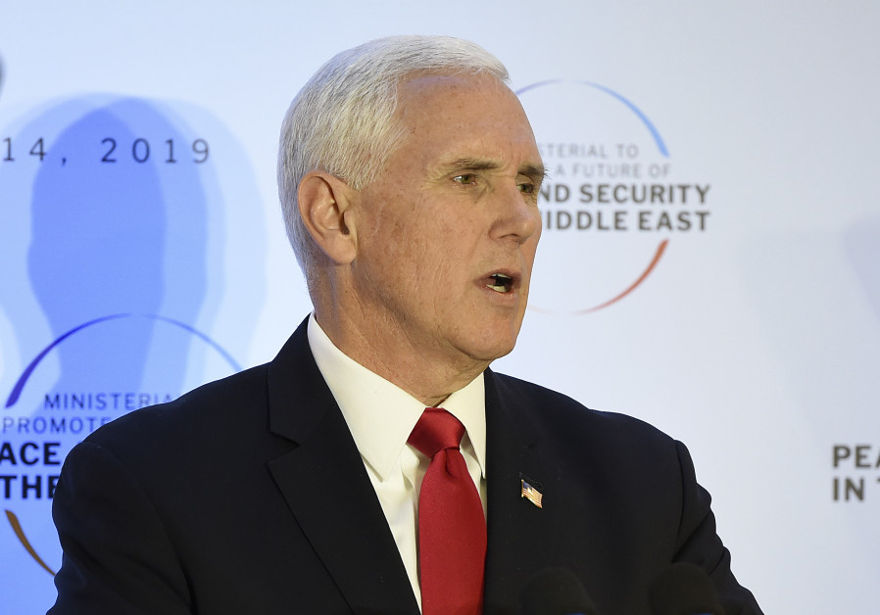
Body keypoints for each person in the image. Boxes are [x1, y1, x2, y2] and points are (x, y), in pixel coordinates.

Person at [49, 36, 763, 615]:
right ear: (335, 216)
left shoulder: (640, 482)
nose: (520, 220)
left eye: (528, 185)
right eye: (468, 179)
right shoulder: (156, 486)